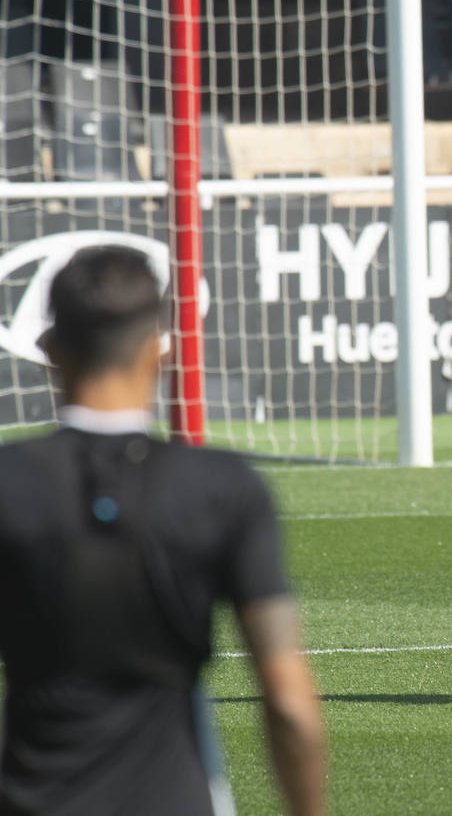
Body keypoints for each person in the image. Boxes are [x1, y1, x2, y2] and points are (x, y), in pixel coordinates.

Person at [0, 246, 327, 815]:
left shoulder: (9, 482)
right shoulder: (223, 487)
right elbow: (290, 701)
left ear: (50, 351)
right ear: (159, 350)